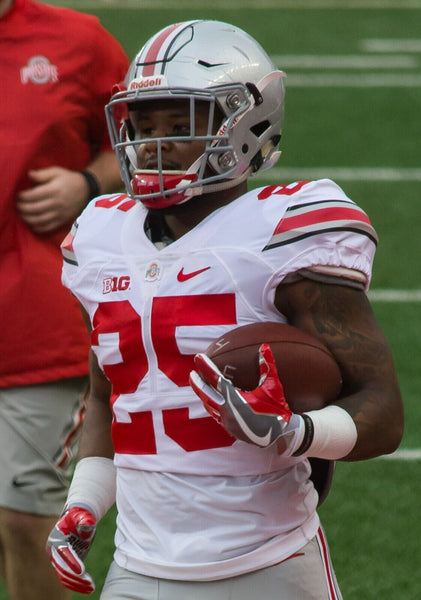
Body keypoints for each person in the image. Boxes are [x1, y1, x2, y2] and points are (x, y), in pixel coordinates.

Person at [46, 19, 403, 600]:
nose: (154, 143)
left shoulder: (285, 231)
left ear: (246, 124)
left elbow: (383, 411)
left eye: (180, 124)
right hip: (138, 565)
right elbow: (112, 397)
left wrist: (294, 432)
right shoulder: (100, 237)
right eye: (144, 126)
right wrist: (83, 503)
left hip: (270, 561)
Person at [0, 0, 129, 598]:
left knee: (24, 521)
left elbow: (143, 142)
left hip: (37, 326)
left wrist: (88, 182)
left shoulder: (79, 40)